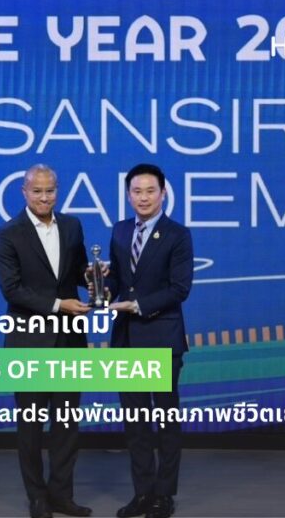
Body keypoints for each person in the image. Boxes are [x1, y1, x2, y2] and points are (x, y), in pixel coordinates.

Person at [0, 164, 93, 518]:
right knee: (31, 428)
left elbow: (78, 272)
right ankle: (37, 497)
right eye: (37, 191)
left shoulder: (72, 226)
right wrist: (58, 305)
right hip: (28, 343)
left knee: (66, 425)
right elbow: (12, 289)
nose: (44, 197)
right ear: (24, 192)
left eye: (50, 190)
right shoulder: (9, 234)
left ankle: (62, 495)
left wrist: (93, 275)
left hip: (69, 342)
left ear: (57, 191)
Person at [104, 164, 193, 518]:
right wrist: (101, 286)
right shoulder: (120, 230)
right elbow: (117, 282)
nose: (143, 198)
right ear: (128, 195)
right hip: (126, 340)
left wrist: (138, 305)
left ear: (163, 193)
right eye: (137, 191)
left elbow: (179, 289)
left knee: (166, 422)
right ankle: (142, 493)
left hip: (162, 340)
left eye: (150, 191)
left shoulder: (178, 234)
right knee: (136, 423)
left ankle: (163, 496)